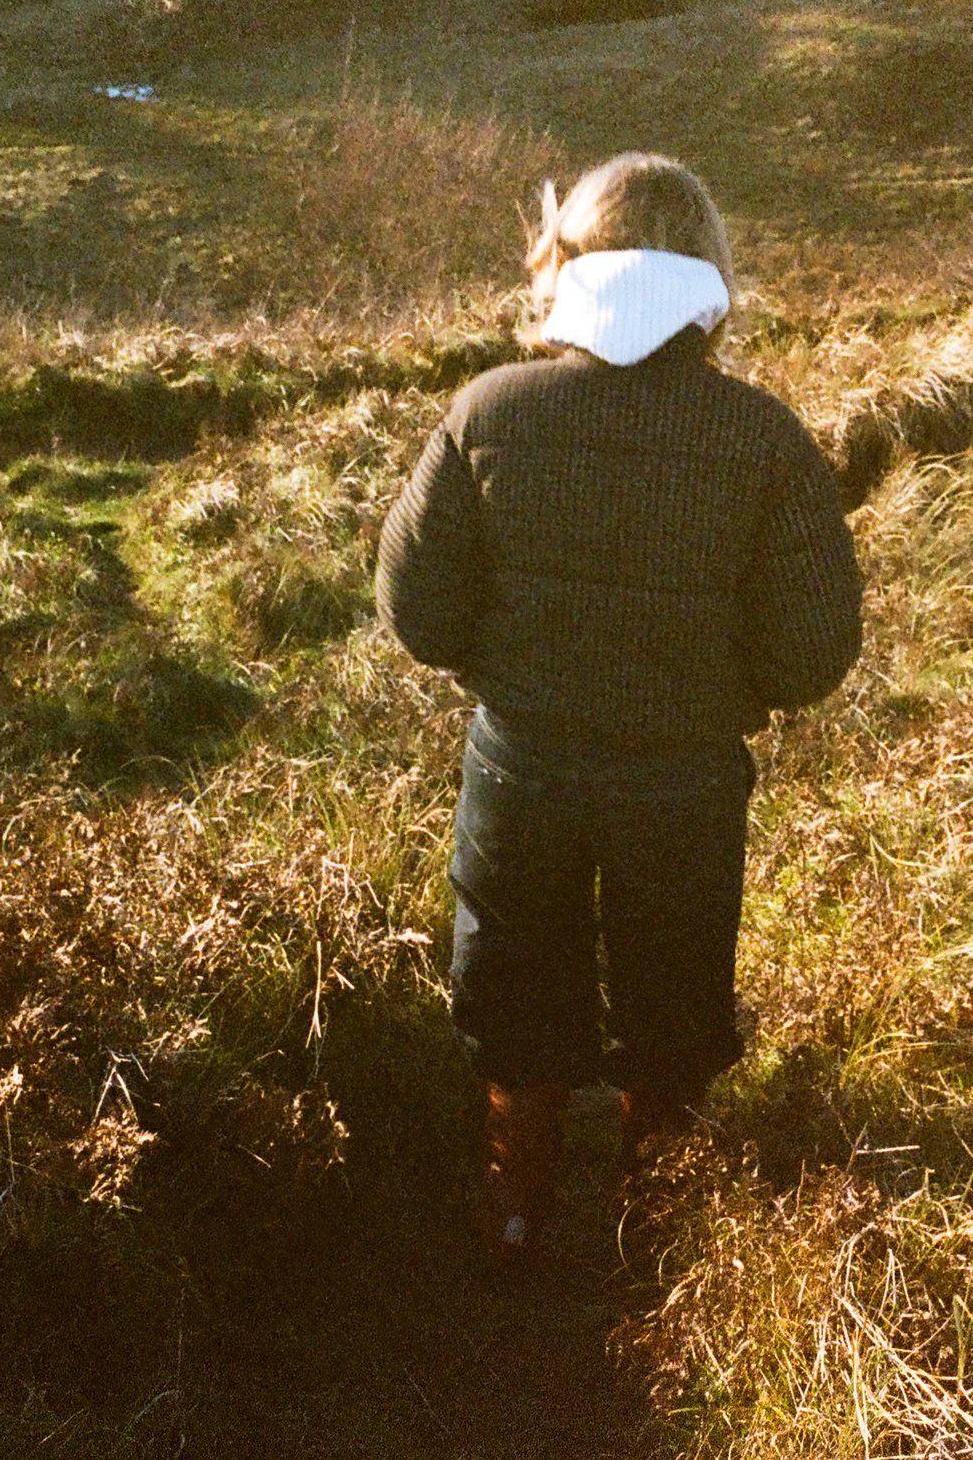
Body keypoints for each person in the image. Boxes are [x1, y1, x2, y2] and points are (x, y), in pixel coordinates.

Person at [373, 152, 863, 1265]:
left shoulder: (488, 410)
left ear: (572, 263)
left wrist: (512, 663)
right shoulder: (762, 437)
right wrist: (718, 684)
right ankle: (664, 1226)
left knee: (512, 978)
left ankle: (515, 1203)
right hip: (685, 777)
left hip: (520, 762)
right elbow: (811, 652)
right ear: (706, 278)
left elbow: (418, 614)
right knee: (674, 996)